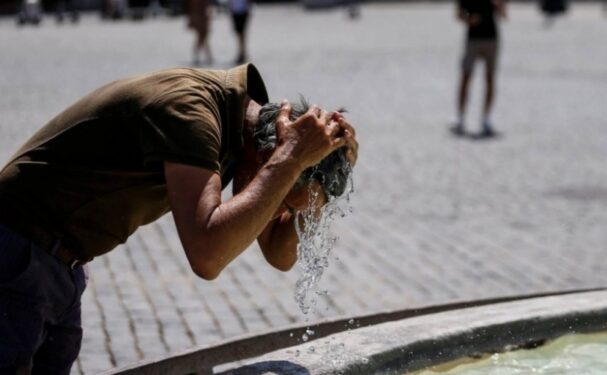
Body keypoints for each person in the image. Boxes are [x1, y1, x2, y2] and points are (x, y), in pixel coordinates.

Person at [0, 63, 358, 373]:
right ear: (266, 157)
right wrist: (293, 158)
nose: (282, 213)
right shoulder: (192, 113)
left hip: (56, 263)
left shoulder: (243, 136)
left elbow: (279, 254)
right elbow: (207, 254)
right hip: (16, 252)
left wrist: (319, 191)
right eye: (285, 201)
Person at [453, 0, 506, 137]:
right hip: (473, 39)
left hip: (491, 39)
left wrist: (500, 5)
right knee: (466, 76)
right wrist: (469, 19)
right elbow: (459, 14)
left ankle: (486, 119)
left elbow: (504, 15)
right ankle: (460, 118)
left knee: (489, 78)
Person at [188, 0, 213, 65]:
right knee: (202, 38)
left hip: (202, 18)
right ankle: (206, 55)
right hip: (201, 19)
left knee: (202, 38)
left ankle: (206, 55)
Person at [229, 0, 253, 64]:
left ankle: (242, 53)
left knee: (241, 33)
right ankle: (242, 52)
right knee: (239, 34)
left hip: (242, 11)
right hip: (236, 11)